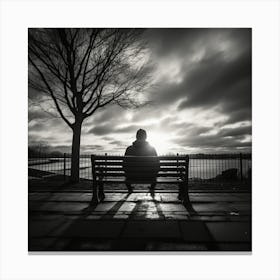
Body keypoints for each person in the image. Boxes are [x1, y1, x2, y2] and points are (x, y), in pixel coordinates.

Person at [124, 129, 159, 194]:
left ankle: (130, 190)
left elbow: (124, 165)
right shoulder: (152, 149)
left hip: (132, 176)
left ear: (136, 137)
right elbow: (157, 164)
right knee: (154, 177)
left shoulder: (129, 149)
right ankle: (152, 189)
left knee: (127, 178)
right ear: (145, 137)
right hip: (149, 176)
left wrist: (128, 173)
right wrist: (153, 173)